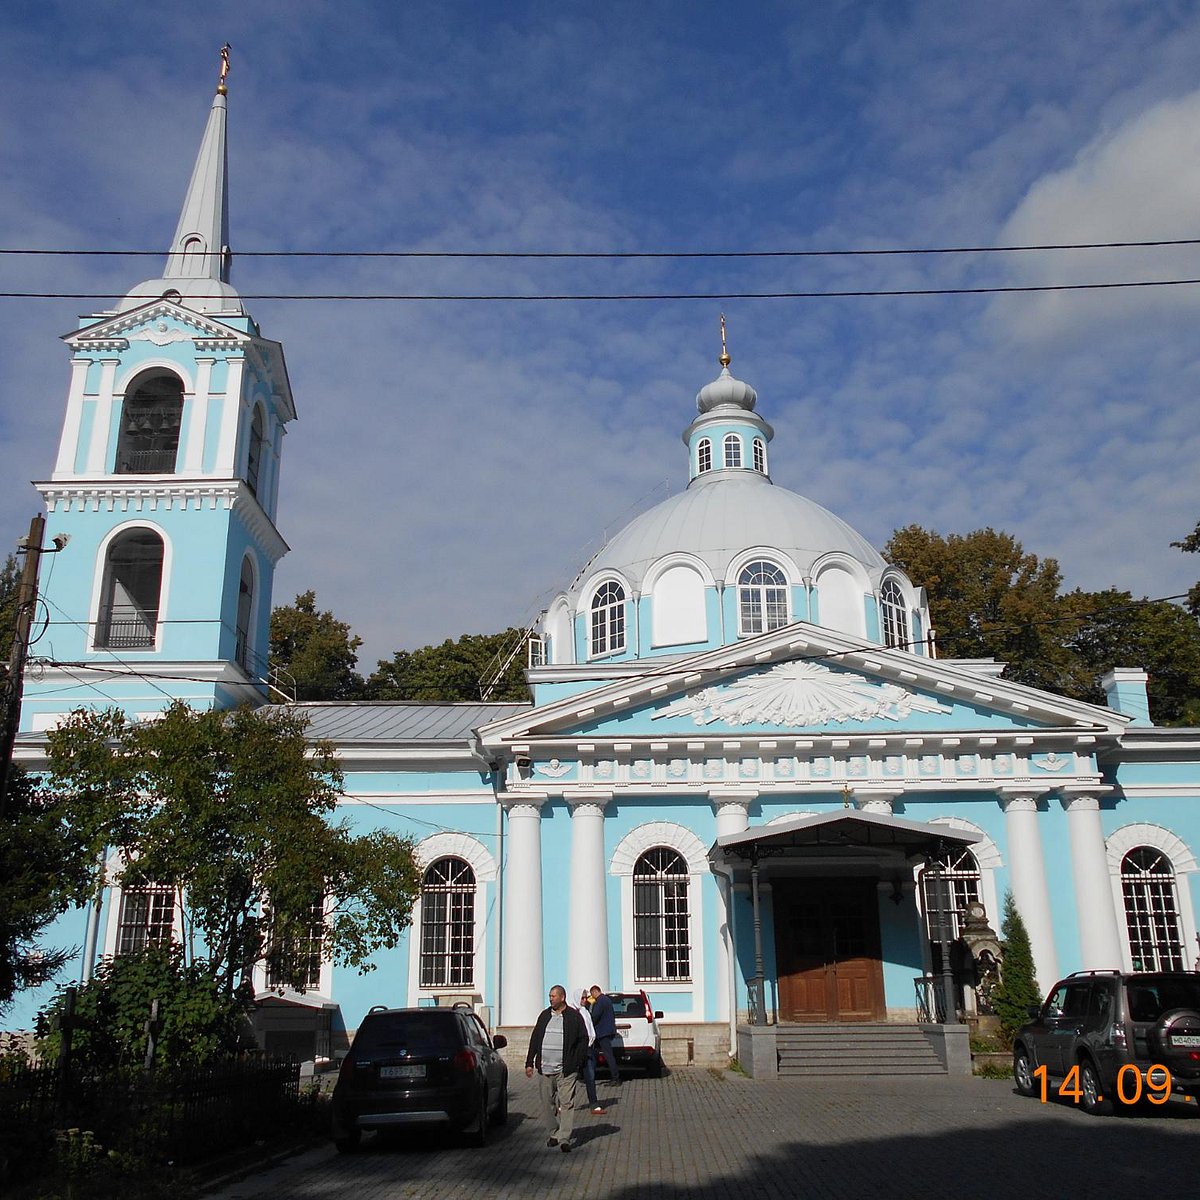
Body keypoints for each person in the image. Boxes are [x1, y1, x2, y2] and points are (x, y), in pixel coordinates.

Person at [526, 984, 588, 1152]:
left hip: (565, 1070)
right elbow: (535, 1038)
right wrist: (529, 1062)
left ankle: (565, 1138)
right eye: (549, 996)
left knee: (567, 1103)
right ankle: (554, 1133)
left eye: (553, 996)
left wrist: (577, 1062)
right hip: (545, 1068)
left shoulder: (573, 1017)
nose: (550, 998)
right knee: (547, 1103)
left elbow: (583, 1039)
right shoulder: (544, 1016)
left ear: (562, 997)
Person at [575, 988, 604, 1115]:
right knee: (570, 1078)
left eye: (585, 998)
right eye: (582, 998)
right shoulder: (574, 1013)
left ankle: (594, 1103)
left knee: (590, 1076)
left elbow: (590, 1028)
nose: (585, 1000)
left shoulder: (585, 1011)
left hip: (590, 1048)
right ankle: (562, 1103)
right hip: (579, 1049)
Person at [589, 984, 621, 1084]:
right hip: (607, 1030)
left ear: (595, 992)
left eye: (592, 994)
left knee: (608, 1055)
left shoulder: (600, 1001)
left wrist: (589, 1022)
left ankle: (615, 1077)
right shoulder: (606, 1000)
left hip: (603, 1032)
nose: (592, 997)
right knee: (604, 1054)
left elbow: (595, 1016)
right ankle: (614, 1076)